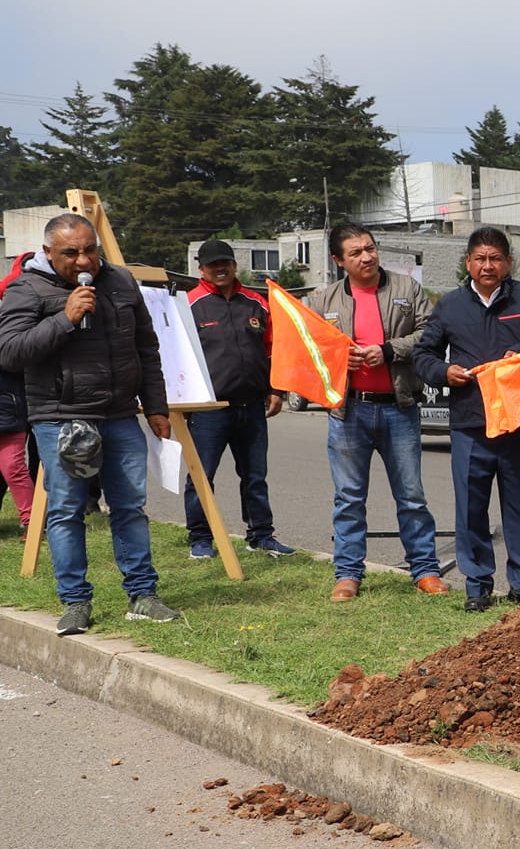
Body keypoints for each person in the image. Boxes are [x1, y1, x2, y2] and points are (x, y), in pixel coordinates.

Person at [0, 214, 180, 633]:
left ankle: (142, 594)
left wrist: (155, 405)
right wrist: (63, 318)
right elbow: (9, 353)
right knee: (65, 512)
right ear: (48, 253)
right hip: (60, 418)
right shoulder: (26, 288)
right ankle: (76, 601)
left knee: (130, 507)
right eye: (71, 252)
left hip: (118, 414)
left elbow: (146, 347)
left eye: (90, 249)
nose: (84, 259)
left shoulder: (119, 281)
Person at [305, 224, 448, 601]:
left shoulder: (407, 290)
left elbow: (431, 333)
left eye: (370, 248)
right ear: (339, 261)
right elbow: (309, 346)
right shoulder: (324, 299)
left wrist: (388, 350)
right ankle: (348, 573)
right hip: (348, 412)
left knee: (412, 495)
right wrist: (338, 357)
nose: (366, 257)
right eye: (355, 253)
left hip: (399, 408)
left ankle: (425, 570)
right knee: (349, 497)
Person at [413, 226, 520, 612]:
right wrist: (445, 373)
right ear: (468, 263)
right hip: (471, 422)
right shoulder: (450, 305)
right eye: (480, 259)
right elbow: (423, 355)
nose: (487, 266)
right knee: (471, 509)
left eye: (495, 259)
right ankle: (478, 587)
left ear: (508, 262)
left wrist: (517, 355)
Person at [181, 238, 292, 560]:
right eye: (213, 264)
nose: (220, 269)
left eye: (225, 263)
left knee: (255, 476)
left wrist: (276, 390)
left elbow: (274, 350)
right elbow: (177, 358)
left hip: (252, 407)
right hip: (208, 409)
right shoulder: (188, 306)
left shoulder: (257, 303)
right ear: (201, 269)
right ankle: (200, 539)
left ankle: (261, 535)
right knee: (202, 475)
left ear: (234, 264)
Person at [0, 252, 38, 528]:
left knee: (13, 466)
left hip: (12, 407)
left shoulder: (14, 326)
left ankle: (32, 521)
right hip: (12, 405)